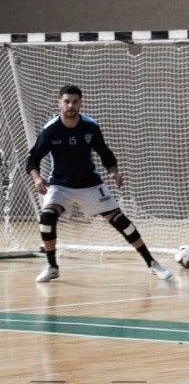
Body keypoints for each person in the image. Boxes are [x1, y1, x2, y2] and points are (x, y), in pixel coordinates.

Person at [26, 84, 172, 283]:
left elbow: (105, 153)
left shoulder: (90, 126)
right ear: (59, 103)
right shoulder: (50, 130)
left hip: (90, 184)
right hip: (60, 185)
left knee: (123, 223)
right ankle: (52, 266)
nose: (71, 106)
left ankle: (152, 264)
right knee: (47, 218)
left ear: (80, 103)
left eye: (75, 102)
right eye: (66, 101)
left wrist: (113, 172)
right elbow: (32, 159)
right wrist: (37, 178)